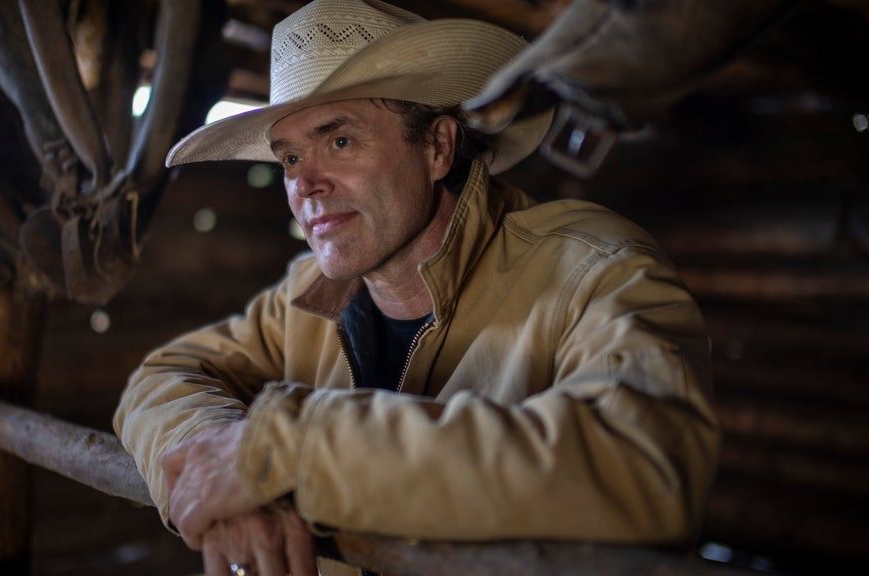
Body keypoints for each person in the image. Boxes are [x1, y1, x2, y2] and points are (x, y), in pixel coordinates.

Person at [114, 1, 720, 575]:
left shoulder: (593, 270)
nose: (306, 185)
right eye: (291, 158)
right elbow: (163, 377)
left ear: (437, 147)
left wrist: (293, 451)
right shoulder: (307, 297)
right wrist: (215, 456)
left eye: (339, 141)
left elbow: (647, 472)